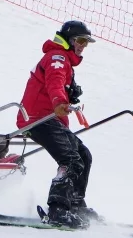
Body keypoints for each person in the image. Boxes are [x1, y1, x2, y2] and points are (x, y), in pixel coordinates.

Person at [16, 20, 99, 228]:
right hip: (38, 119)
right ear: (69, 40)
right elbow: (54, 81)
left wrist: (70, 94)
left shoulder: (64, 61)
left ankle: (75, 205)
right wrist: (61, 101)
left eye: (86, 43)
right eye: (80, 40)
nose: (82, 46)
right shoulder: (58, 57)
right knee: (71, 160)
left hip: (51, 119)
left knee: (84, 156)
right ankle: (58, 210)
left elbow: (57, 83)